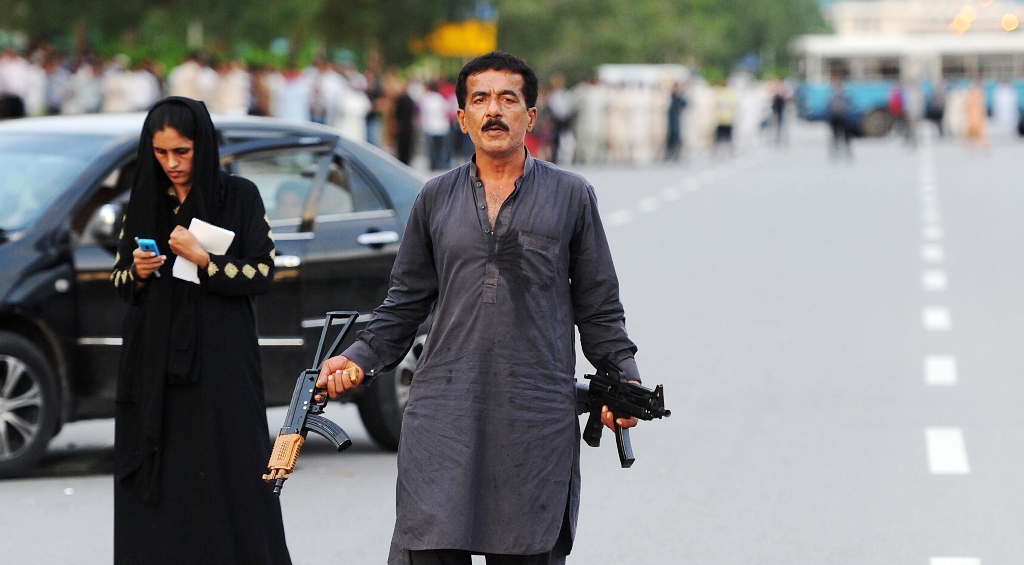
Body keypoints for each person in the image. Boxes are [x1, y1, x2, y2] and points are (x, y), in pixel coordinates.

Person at [316, 51, 641, 565]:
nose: (494, 110)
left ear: (530, 117)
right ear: (462, 117)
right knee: (430, 543)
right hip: (444, 415)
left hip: (534, 416)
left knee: (528, 547)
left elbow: (599, 307)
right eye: (480, 100)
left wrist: (623, 381)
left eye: (508, 99)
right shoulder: (435, 199)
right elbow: (404, 303)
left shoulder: (572, 196)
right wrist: (357, 358)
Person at [109, 97, 291, 564]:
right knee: (161, 473)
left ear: (203, 147)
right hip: (153, 367)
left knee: (231, 470)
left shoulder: (239, 197)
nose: (171, 163)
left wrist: (205, 260)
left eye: (182, 152)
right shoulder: (145, 200)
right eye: (161, 152)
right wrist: (140, 270)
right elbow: (120, 283)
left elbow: (263, 273)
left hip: (221, 365)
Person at [826, 78, 853, 160]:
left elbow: (850, 105)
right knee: (835, 137)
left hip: (843, 117)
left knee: (846, 137)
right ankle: (835, 153)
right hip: (835, 118)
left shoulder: (844, 97)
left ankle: (847, 152)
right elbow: (829, 107)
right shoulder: (832, 97)